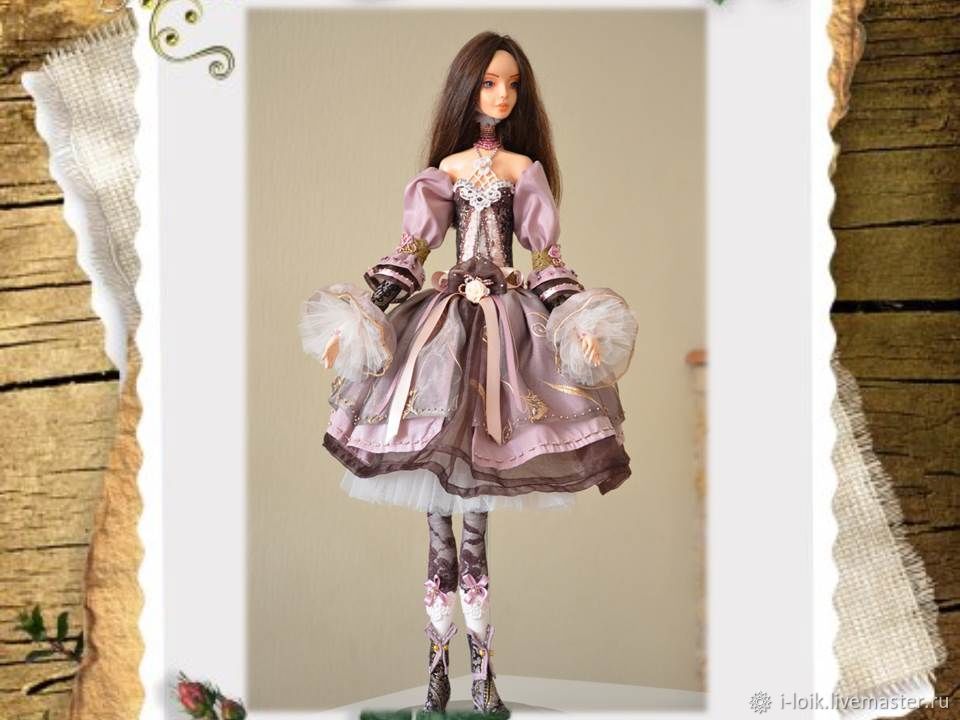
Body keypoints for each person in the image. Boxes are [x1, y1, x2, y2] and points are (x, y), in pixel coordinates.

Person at [301, 31, 638, 716]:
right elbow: (409, 253)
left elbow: (548, 259)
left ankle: (483, 676)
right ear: (468, 87)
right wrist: (364, 315)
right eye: (489, 82)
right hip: (442, 335)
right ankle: (436, 672)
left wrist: (576, 320)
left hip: (503, 337)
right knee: (437, 524)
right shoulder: (445, 172)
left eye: (511, 84)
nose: (502, 95)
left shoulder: (524, 170)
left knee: (476, 521)